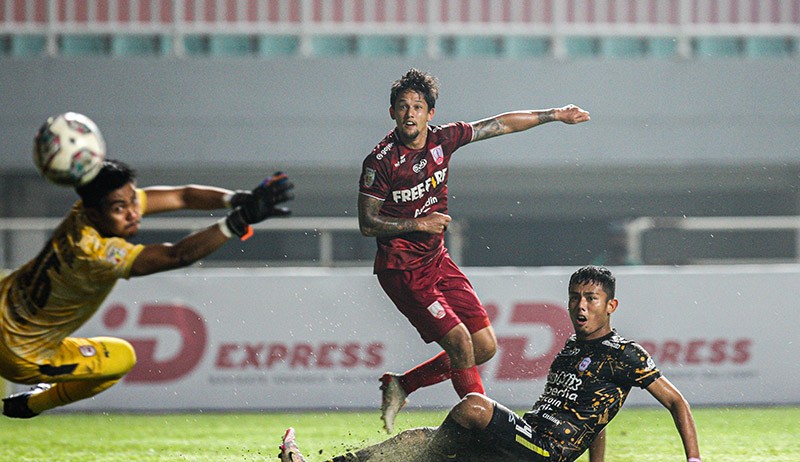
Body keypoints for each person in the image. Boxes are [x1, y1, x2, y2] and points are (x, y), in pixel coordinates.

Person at [1, 127, 293, 418]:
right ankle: (33, 403)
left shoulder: (84, 210)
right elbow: (176, 254)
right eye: (119, 208)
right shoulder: (93, 252)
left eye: (132, 201)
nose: (132, 213)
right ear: (94, 213)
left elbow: (183, 196)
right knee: (121, 357)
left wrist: (236, 199)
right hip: (21, 355)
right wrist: (238, 220)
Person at [357, 68, 591, 433]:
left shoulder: (442, 139)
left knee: (484, 347)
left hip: (437, 261)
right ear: (391, 113)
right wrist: (419, 224)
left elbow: (499, 124)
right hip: (402, 270)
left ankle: (403, 385)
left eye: (417, 107)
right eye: (402, 107)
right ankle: (485, 431)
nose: (409, 114)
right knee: (460, 342)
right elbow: (367, 223)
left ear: (429, 113)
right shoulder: (381, 161)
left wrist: (555, 115)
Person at [278, 265, 702, 462]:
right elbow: (597, 420)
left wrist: (694, 460)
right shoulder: (571, 351)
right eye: (574, 296)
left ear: (611, 305)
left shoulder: (625, 353)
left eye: (590, 298)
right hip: (528, 442)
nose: (580, 305)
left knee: (473, 407)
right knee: (422, 436)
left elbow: (677, 403)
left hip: (547, 452)